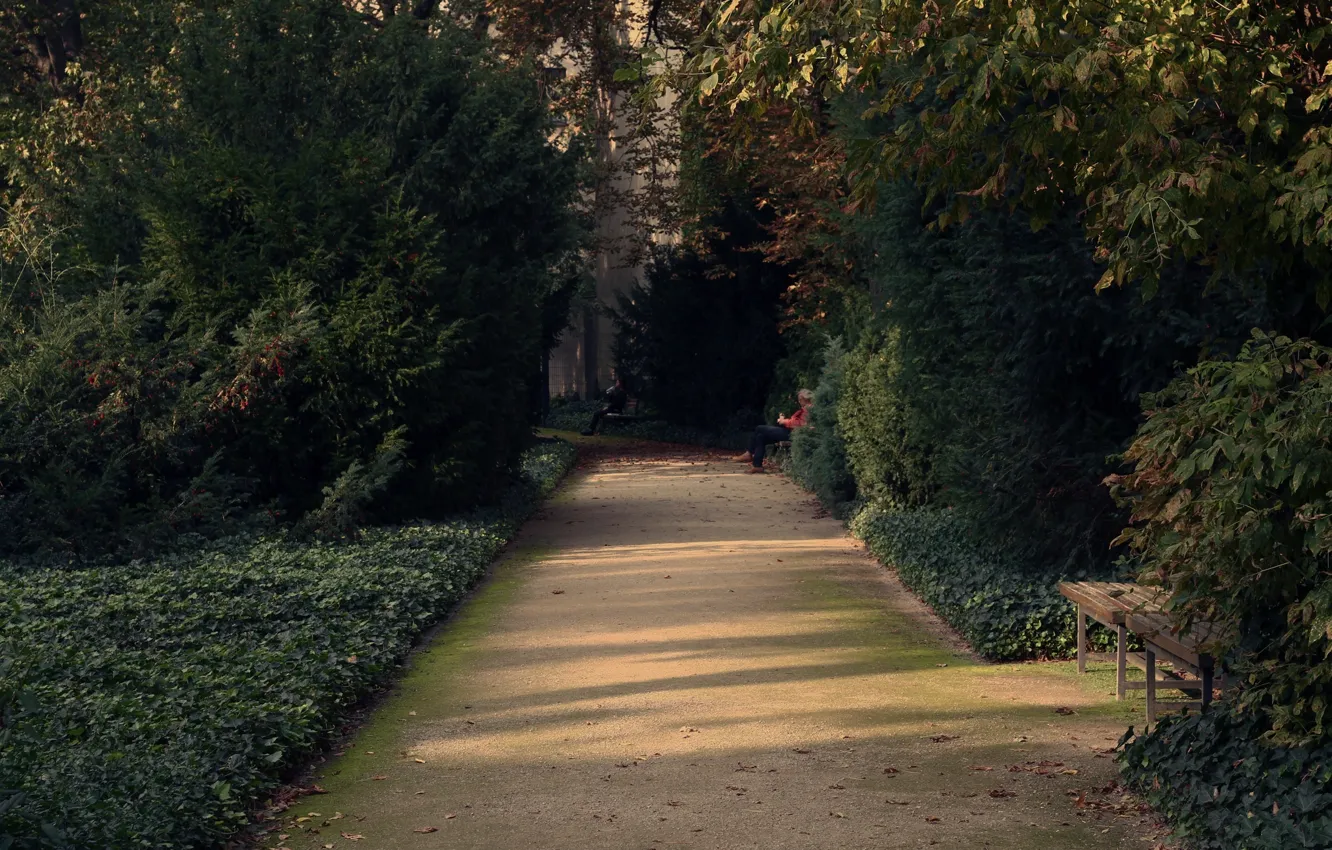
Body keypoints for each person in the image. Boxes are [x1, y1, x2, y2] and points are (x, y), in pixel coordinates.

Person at [733, 389, 813, 473]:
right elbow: (797, 422)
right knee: (761, 437)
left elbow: (801, 424)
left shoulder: (809, 408)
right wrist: (783, 420)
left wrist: (784, 421)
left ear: (805, 398)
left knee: (759, 428)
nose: (799, 401)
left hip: (793, 433)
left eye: (800, 399)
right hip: (790, 431)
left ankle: (749, 453)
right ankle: (757, 466)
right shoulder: (805, 408)